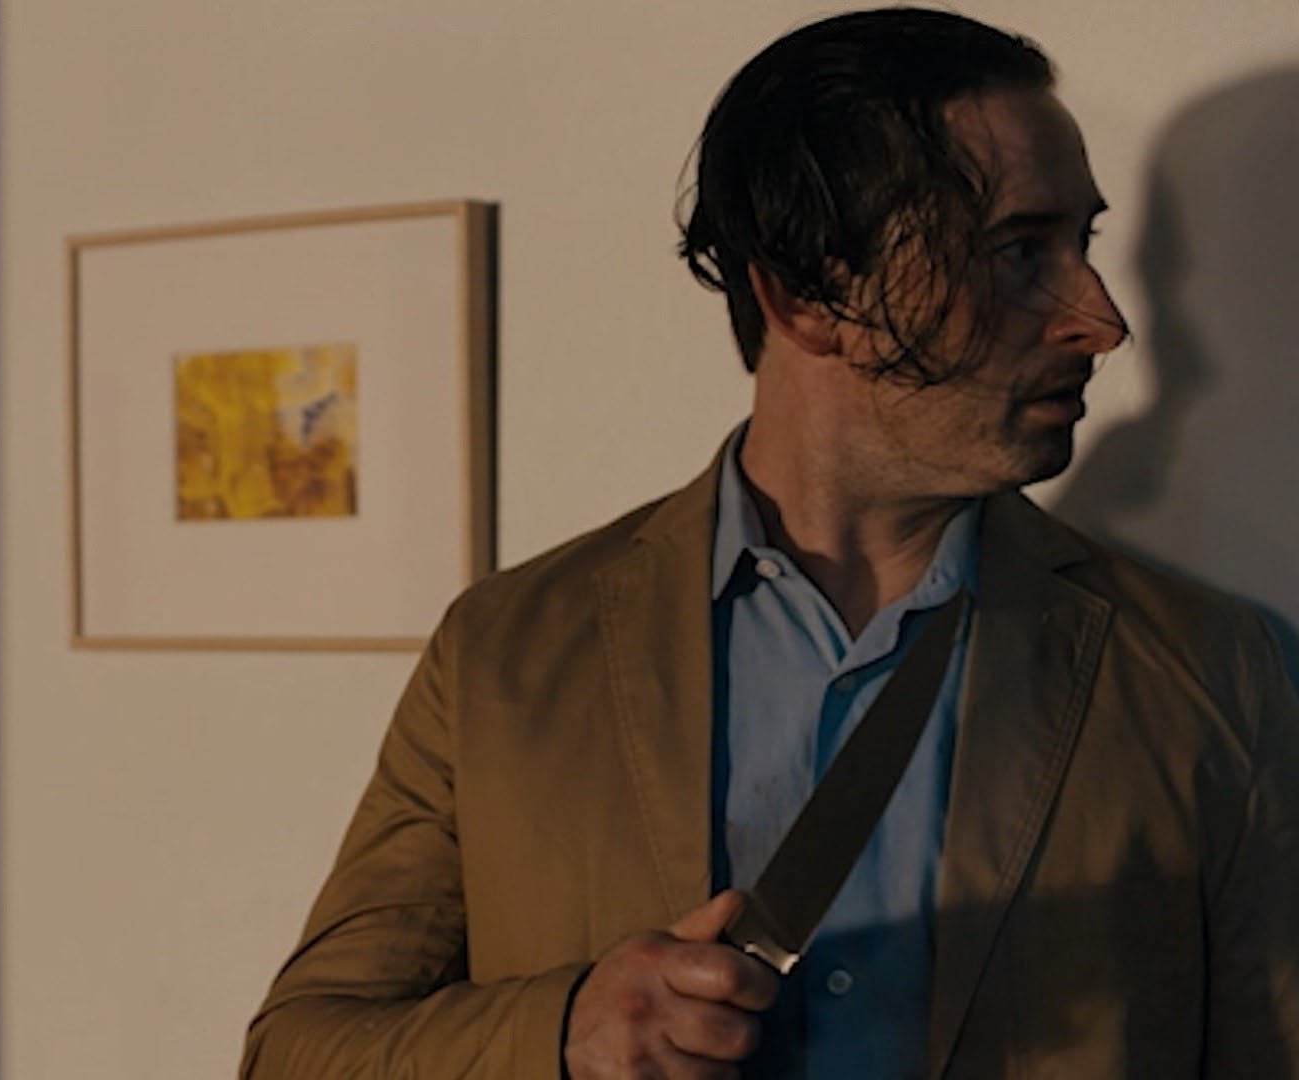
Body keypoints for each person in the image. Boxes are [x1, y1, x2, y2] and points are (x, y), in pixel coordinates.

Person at [242, 8, 1299, 1077]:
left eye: (1084, 245)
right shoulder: (505, 654)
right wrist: (562, 1032)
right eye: (1018, 251)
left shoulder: (1211, 671)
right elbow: (296, 1051)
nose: (1100, 320)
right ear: (807, 296)